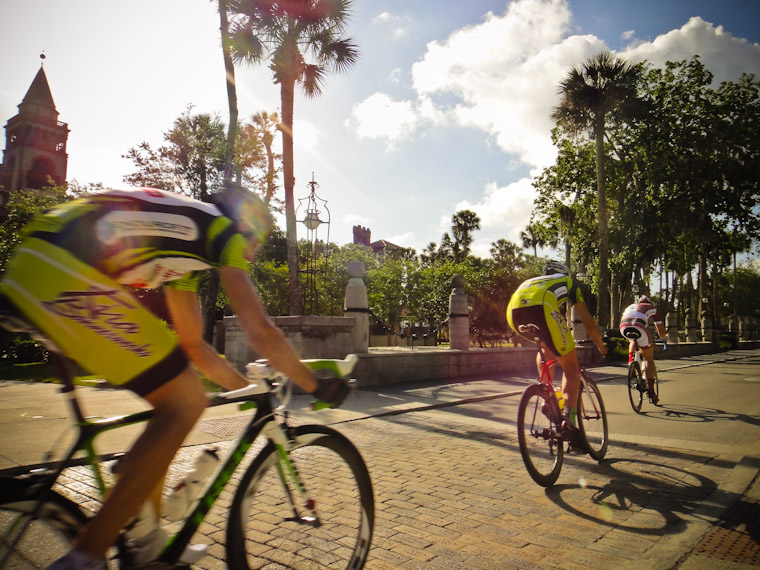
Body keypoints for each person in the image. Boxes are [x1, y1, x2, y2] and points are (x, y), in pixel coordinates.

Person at [0, 184, 350, 569]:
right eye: (260, 238)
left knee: (171, 407)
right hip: (65, 271)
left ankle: (147, 539)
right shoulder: (224, 232)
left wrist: (248, 393)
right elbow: (260, 331)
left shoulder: (188, 252)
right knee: (185, 403)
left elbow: (194, 347)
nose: (255, 250)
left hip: (35, 263)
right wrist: (316, 384)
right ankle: (86, 556)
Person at [506, 261, 608, 449]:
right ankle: (568, 421)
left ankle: (547, 393)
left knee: (545, 345)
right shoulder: (569, 282)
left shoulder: (533, 281)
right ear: (565, 273)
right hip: (541, 307)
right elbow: (588, 322)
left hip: (513, 312)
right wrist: (601, 346)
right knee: (570, 368)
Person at [619, 295, 667, 404]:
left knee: (632, 340)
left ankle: (631, 362)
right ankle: (651, 391)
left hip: (623, 327)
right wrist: (664, 338)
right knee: (648, 358)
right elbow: (661, 331)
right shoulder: (652, 308)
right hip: (639, 326)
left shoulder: (631, 306)